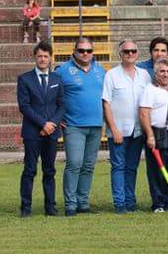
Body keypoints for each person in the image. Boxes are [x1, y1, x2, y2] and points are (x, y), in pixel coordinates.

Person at [54, 37, 106, 216]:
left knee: (89, 165)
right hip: (74, 126)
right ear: (74, 51)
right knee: (74, 163)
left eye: (89, 51)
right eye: (81, 50)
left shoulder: (101, 71)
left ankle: (83, 203)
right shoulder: (63, 71)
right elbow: (52, 95)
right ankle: (70, 204)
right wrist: (56, 117)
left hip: (96, 126)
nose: (85, 54)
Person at [102, 39, 150, 214]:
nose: (130, 54)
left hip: (138, 130)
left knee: (132, 167)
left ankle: (130, 202)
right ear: (120, 54)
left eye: (133, 51)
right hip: (119, 131)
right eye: (126, 51)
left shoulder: (144, 75)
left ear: (137, 53)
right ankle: (120, 203)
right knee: (118, 166)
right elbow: (106, 103)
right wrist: (113, 129)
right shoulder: (111, 75)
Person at [17, 41, 65, 217]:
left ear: (51, 58)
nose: (43, 59)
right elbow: (24, 106)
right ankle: (26, 208)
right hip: (32, 132)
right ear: (35, 58)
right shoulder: (24, 79)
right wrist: (42, 124)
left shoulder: (57, 79)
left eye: (46, 56)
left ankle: (50, 207)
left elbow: (61, 105)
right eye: (39, 56)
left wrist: (51, 124)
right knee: (30, 170)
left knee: (49, 170)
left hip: (51, 133)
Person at [139, 58, 168, 212]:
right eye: (162, 71)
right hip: (158, 134)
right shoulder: (149, 90)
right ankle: (158, 203)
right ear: (155, 73)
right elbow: (144, 113)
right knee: (157, 170)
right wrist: (150, 136)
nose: (166, 75)